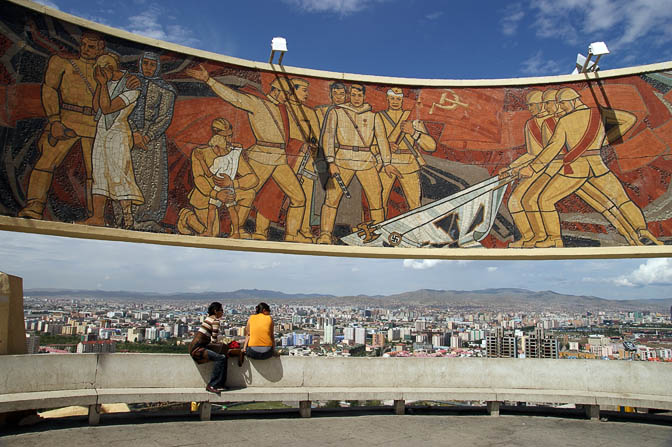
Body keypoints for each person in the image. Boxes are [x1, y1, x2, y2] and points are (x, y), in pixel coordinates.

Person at [185, 64, 308, 242]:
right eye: (286, 93)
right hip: (262, 156)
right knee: (244, 193)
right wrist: (209, 80)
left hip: (279, 159)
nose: (288, 97)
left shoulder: (283, 108)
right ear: (275, 91)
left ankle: (292, 234)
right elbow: (234, 97)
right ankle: (234, 230)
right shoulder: (256, 103)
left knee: (299, 198)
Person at [19, 31, 107, 220]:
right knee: (45, 163)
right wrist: (54, 120)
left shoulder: (107, 72)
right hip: (67, 118)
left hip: (94, 124)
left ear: (101, 48)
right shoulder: (63, 63)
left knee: (96, 173)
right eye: (83, 44)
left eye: (91, 46)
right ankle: (34, 207)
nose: (85, 49)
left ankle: (95, 216)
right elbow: (49, 89)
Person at [317, 83, 400, 244]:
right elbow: (328, 137)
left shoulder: (373, 116)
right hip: (342, 158)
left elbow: (382, 140)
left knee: (376, 196)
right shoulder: (337, 112)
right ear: (350, 95)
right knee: (331, 198)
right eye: (353, 95)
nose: (356, 98)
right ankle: (325, 234)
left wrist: (387, 162)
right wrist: (331, 161)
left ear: (364, 96)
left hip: (365, 159)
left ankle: (379, 234)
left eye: (359, 95)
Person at [82, 54, 143, 228]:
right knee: (99, 173)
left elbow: (108, 108)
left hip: (118, 134)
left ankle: (127, 217)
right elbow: (97, 108)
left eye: (103, 69)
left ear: (111, 68)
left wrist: (102, 84)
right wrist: (101, 85)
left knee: (119, 174)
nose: (100, 73)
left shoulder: (132, 86)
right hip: (102, 132)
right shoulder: (106, 84)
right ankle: (97, 217)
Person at [177, 118, 258, 237]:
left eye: (230, 136)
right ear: (216, 136)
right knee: (213, 234)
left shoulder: (233, 153)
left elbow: (253, 179)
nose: (229, 140)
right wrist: (216, 194)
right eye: (226, 137)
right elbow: (199, 179)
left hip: (227, 190)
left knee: (249, 193)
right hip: (205, 195)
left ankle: (236, 230)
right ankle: (187, 217)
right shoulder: (200, 152)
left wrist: (232, 183)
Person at [128, 51, 176, 231]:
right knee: (129, 173)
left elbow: (165, 117)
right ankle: (127, 214)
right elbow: (124, 107)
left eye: (152, 65)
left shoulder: (165, 89)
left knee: (151, 178)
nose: (148, 68)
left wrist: (147, 135)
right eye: (145, 63)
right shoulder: (131, 83)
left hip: (152, 139)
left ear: (157, 67)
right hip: (130, 134)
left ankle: (148, 216)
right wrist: (133, 132)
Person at [375, 87, 436, 215]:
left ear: (402, 100)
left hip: (408, 164)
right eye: (392, 98)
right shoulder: (378, 117)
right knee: (379, 203)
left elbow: (431, 146)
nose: (395, 101)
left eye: (398, 99)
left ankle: (416, 233)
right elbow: (369, 144)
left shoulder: (411, 118)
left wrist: (413, 132)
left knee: (415, 204)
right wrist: (385, 146)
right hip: (387, 164)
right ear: (387, 99)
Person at [189, 302, 229, 394]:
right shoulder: (215, 321)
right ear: (216, 311)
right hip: (198, 350)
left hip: (194, 348)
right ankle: (212, 384)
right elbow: (214, 340)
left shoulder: (208, 319)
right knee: (221, 358)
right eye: (221, 310)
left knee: (223, 356)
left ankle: (220, 383)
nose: (222, 313)